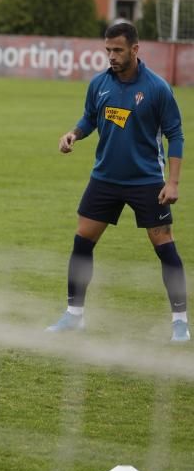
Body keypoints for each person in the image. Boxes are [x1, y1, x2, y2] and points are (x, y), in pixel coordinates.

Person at [47, 21, 188, 342]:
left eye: (117, 50)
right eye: (107, 49)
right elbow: (90, 118)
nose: (111, 56)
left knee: (165, 248)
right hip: (105, 179)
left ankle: (180, 321)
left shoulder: (157, 89)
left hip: (147, 181)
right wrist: (74, 134)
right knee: (82, 242)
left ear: (135, 50)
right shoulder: (99, 84)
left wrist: (174, 182)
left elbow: (175, 135)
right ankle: (73, 316)